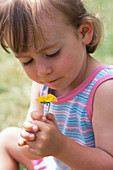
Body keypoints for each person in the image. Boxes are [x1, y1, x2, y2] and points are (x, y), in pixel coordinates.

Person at [0, 0, 113, 169]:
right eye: (27, 60)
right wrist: (33, 141)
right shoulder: (43, 85)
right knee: (6, 139)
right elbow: (29, 151)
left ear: (84, 32)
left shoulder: (104, 89)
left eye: (52, 54)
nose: (42, 71)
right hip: (56, 165)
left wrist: (61, 147)